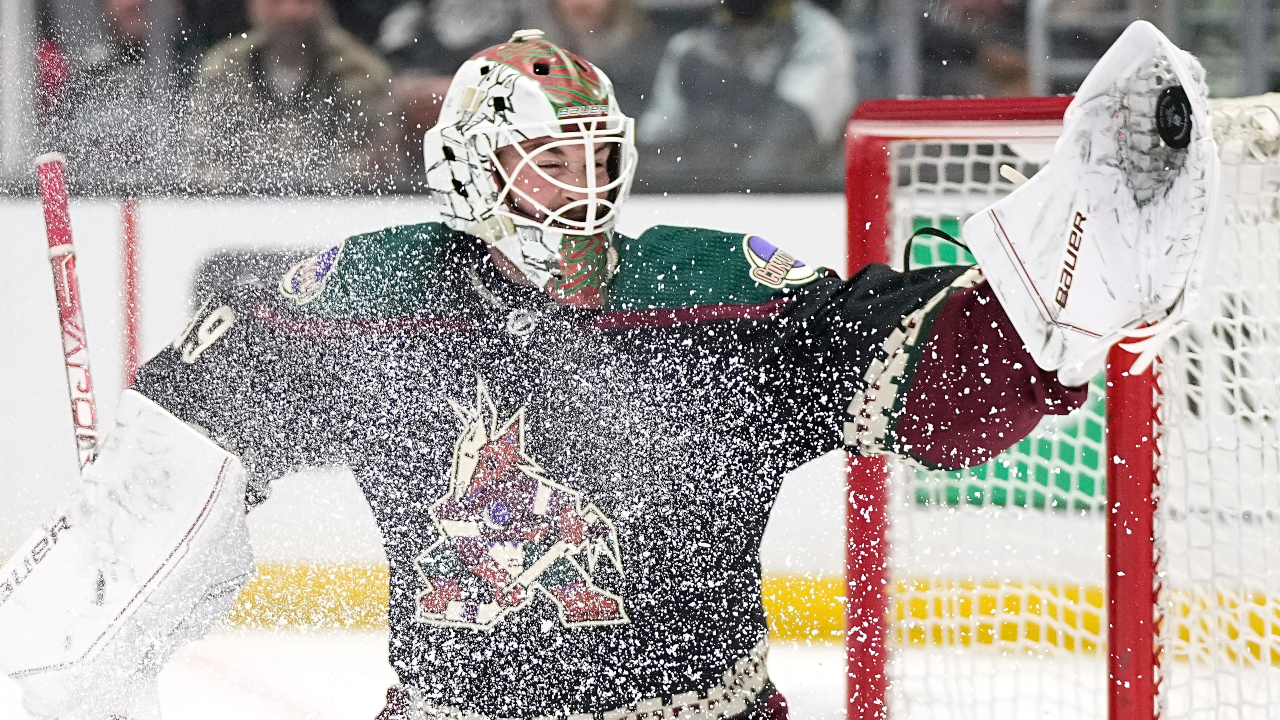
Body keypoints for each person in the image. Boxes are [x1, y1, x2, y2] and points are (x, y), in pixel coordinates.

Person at [0, 22, 1218, 720]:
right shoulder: (374, 304)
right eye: (548, 166)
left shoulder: (708, 291)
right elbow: (188, 444)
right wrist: (84, 627)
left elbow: (918, 381)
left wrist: (1046, 311)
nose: (584, 194)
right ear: (472, 178)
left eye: (596, 157)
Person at [182, 0, 398, 193]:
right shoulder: (224, 67)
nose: (290, 12)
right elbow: (200, 157)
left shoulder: (360, 70)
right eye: (276, 2)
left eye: (302, 2)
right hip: (240, 207)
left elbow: (376, 160)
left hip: (332, 206)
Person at [638, 0, 854, 189]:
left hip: (795, 197)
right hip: (694, 198)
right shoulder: (690, 45)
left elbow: (789, 141)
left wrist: (728, 196)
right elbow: (658, 144)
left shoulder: (816, 35)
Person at [40, 0, 182, 193]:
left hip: (169, 195)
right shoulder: (88, 79)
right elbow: (62, 150)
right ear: (104, 6)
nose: (133, 4)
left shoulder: (183, 71)